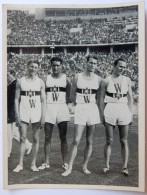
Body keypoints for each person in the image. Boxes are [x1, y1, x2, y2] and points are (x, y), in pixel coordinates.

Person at [62, 54, 102, 176]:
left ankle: (84, 166)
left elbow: (99, 97)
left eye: (95, 63)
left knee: (89, 140)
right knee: (76, 140)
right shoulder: (77, 77)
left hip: (92, 109)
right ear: (86, 63)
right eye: (90, 62)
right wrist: (72, 105)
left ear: (97, 65)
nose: (92, 65)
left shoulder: (99, 79)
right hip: (81, 109)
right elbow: (72, 95)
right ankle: (69, 167)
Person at [99, 58, 133, 176]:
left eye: (124, 67)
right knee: (109, 140)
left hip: (123, 108)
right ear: (114, 66)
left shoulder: (127, 80)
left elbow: (130, 98)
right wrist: (101, 114)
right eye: (120, 66)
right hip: (110, 108)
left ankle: (124, 167)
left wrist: (130, 113)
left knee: (124, 140)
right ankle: (106, 166)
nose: (122, 69)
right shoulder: (106, 80)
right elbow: (101, 99)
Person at [13, 59, 46, 172]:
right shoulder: (20, 81)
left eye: (35, 67)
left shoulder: (40, 82)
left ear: (38, 69)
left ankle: (33, 164)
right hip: (24, 111)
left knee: (36, 138)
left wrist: (43, 116)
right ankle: (20, 164)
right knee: (22, 138)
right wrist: (17, 115)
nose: (33, 69)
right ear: (27, 67)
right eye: (31, 66)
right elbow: (16, 99)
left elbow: (43, 100)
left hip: (36, 111)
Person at [38, 56, 71, 171]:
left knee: (63, 137)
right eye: (54, 65)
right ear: (51, 66)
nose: (56, 67)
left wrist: (67, 105)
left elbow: (69, 94)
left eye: (58, 65)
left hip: (62, 107)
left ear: (61, 66)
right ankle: (46, 162)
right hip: (49, 107)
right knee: (47, 137)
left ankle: (65, 162)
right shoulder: (46, 78)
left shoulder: (66, 79)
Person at [7, 70, 32, 158]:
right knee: (13, 132)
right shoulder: (11, 84)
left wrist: (12, 113)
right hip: (11, 112)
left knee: (9, 133)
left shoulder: (14, 84)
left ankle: (7, 152)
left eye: (8, 75)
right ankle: (28, 145)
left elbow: (13, 101)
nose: (6, 77)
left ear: (12, 75)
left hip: (11, 112)